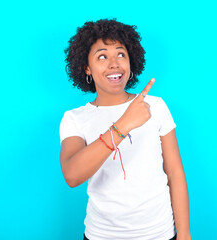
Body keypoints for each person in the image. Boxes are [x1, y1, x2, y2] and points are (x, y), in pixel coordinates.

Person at [60, 19, 190, 240]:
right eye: (102, 56)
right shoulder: (74, 119)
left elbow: (175, 173)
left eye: (121, 54)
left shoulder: (155, 106)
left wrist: (185, 235)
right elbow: (72, 175)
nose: (114, 63)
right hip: (101, 235)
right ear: (87, 68)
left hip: (159, 234)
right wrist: (124, 124)